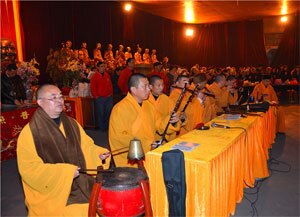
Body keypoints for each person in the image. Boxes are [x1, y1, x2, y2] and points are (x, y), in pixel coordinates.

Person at [17, 84, 111, 216]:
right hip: (53, 191)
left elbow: (87, 146)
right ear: (39, 102)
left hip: (80, 182)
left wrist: (98, 154)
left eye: (61, 97)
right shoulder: (30, 133)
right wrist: (64, 173)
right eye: (53, 98)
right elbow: (29, 170)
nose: (59, 101)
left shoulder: (72, 123)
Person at [109, 73, 158, 167]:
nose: (149, 89)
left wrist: (172, 120)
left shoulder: (149, 105)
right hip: (132, 158)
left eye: (148, 86)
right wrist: (147, 144)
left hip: (150, 151)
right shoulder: (120, 108)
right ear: (133, 90)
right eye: (145, 86)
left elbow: (158, 124)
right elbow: (119, 137)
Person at [148, 75, 181, 142]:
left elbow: (173, 114)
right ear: (151, 86)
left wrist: (175, 120)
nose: (161, 88)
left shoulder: (166, 99)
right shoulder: (145, 99)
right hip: (149, 134)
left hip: (163, 134)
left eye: (162, 85)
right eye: (159, 85)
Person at [90, 61, 113, 131]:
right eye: (101, 66)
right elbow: (92, 87)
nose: (103, 68)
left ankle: (107, 127)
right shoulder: (94, 76)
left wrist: (111, 93)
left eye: (104, 66)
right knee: (101, 113)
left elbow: (110, 85)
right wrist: (96, 96)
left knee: (108, 112)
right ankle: (102, 128)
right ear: (98, 67)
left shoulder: (107, 75)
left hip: (108, 97)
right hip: (100, 98)